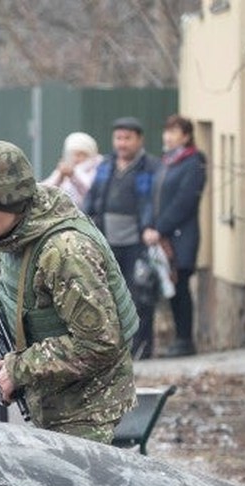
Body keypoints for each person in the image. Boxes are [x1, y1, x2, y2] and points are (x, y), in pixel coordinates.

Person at [0, 140, 138, 443]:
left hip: (88, 410)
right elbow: (14, 282)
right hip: (54, 400)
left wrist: (18, 369)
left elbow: (99, 343)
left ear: (10, 200)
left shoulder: (65, 252)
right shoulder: (18, 231)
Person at [84, 117, 159, 359]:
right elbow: (92, 199)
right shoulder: (106, 165)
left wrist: (150, 226)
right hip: (107, 242)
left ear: (139, 140)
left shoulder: (151, 167)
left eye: (127, 138)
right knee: (107, 295)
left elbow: (154, 204)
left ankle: (141, 348)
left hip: (137, 244)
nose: (122, 144)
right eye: (118, 138)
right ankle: (113, 348)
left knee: (140, 296)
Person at [144, 115, 207, 357]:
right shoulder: (167, 162)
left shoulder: (194, 162)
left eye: (174, 132)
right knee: (169, 287)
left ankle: (185, 340)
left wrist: (161, 228)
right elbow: (153, 197)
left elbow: (185, 201)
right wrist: (149, 226)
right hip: (160, 236)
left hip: (181, 237)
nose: (167, 137)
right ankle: (177, 339)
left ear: (187, 136)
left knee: (180, 287)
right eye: (166, 131)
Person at [39, 132, 102, 211]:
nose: (76, 159)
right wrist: (60, 177)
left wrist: (73, 175)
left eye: (81, 154)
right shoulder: (65, 169)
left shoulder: (98, 168)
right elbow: (44, 190)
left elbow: (91, 191)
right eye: (73, 154)